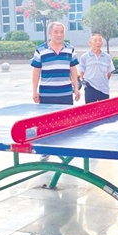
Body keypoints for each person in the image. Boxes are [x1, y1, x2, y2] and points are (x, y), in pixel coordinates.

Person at [31, 22, 80, 161]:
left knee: (66, 123)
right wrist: (34, 91)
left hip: (65, 93)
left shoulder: (70, 49)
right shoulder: (40, 50)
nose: (59, 35)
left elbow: (73, 69)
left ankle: (65, 149)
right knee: (46, 124)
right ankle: (45, 151)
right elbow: (36, 71)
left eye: (61, 32)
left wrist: (76, 87)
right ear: (50, 33)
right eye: (56, 32)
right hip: (47, 94)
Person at [78, 33, 115, 103]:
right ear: (90, 42)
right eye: (95, 40)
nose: (98, 43)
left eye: (100, 40)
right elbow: (82, 72)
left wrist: (102, 81)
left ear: (102, 43)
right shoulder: (84, 57)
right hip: (90, 88)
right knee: (90, 108)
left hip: (104, 89)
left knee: (104, 108)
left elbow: (109, 73)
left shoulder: (107, 57)